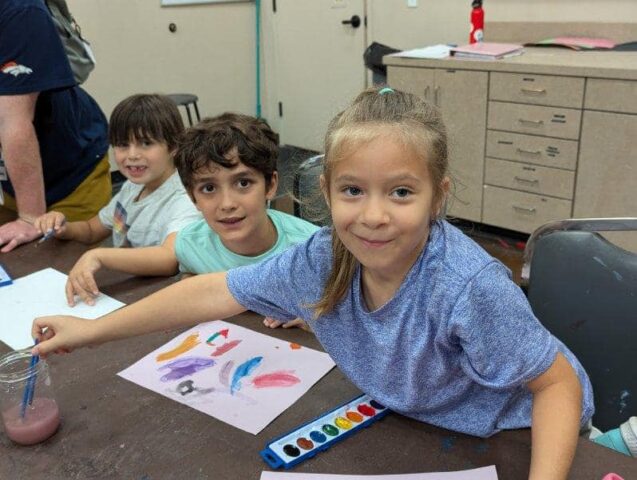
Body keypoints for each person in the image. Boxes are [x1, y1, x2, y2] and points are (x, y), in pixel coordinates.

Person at [32, 87, 594, 480]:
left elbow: (557, 386)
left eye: (400, 192)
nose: (372, 216)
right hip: (417, 418)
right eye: (353, 191)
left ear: (438, 196)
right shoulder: (321, 257)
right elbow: (214, 291)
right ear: (325, 192)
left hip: (513, 431)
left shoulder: (467, 286)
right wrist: (91, 329)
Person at [42, 113, 318, 312]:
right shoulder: (189, 244)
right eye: (208, 188)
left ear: (270, 185)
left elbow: (346, 305)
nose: (226, 203)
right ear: (192, 197)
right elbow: (187, 272)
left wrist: (312, 318)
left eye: (243, 183)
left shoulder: (312, 250)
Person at [34, 93, 201, 305]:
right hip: (129, 289)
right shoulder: (132, 188)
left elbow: (169, 259)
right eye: (122, 145)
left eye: (146, 143)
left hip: (165, 298)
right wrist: (63, 227)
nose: (131, 155)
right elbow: (92, 229)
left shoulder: (184, 197)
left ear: (174, 146)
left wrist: (100, 256)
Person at [0, 0, 111, 253]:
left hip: (69, 171)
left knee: (64, 273)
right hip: (14, 176)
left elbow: (12, 121)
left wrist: (30, 218)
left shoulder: (20, 10)